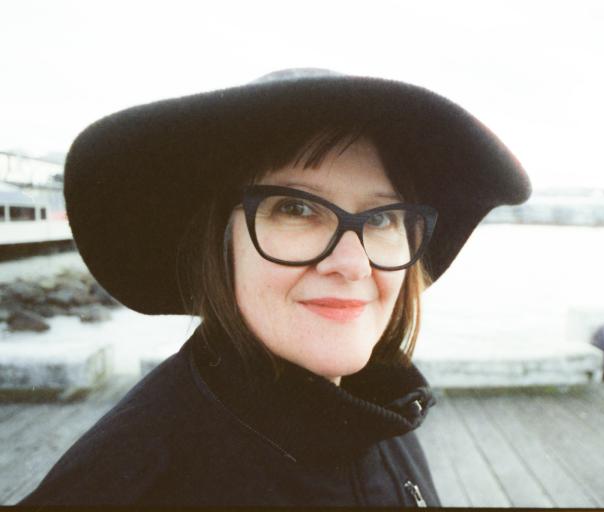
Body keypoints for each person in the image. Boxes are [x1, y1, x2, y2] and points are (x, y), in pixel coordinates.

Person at [19, 68, 531, 506]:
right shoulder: (125, 486)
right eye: (296, 208)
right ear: (219, 243)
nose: (352, 264)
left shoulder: (383, 413)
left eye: (382, 218)